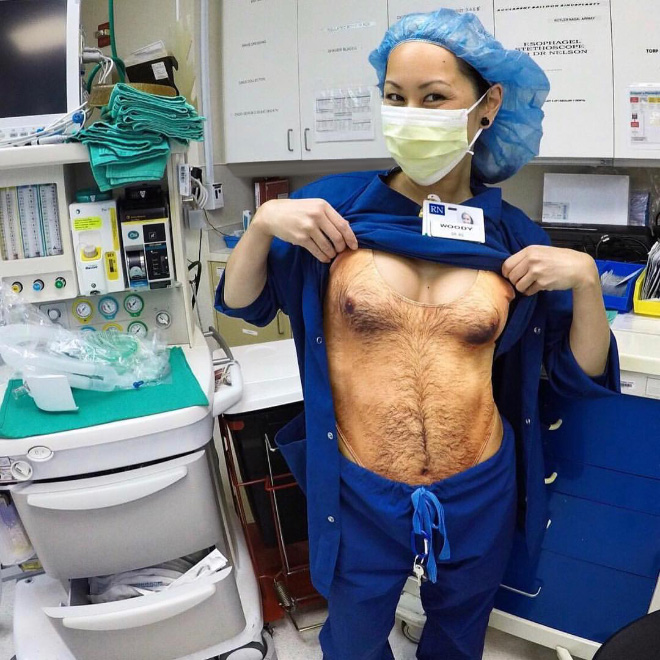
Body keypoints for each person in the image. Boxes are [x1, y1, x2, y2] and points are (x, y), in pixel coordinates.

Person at [216, 9, 620, 660]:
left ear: (487, 106)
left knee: (458, 639)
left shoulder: (513, 237)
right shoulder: (335, 213)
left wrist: (586, 281)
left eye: (434, 98)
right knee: (352, 642)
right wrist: (263, 225)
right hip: (359, 488)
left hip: (478, 486)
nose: (411, 115)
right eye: (395, 97)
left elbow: (580, 373)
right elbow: (244, 304)